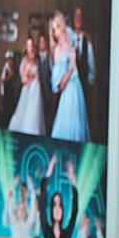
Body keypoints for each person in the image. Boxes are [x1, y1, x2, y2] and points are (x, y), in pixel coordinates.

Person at [47, 16, 86, 145]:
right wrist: (71, 67)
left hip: (78, 90)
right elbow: (59, 87)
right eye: (54, 29)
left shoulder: (71, 39)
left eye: (58, 25)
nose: (57, 31)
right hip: (68, 95)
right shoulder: (57, 51)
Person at [10, 39, 45, 136]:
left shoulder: (37, 60)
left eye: (32, 45)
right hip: (28, 89)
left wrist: (35, 78)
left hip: (36, 90)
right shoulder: (24, 60)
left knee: (34, 113)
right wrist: (30, 78)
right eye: (29, 45)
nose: (31, 47)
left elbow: (39, 75)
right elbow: (23, 79)